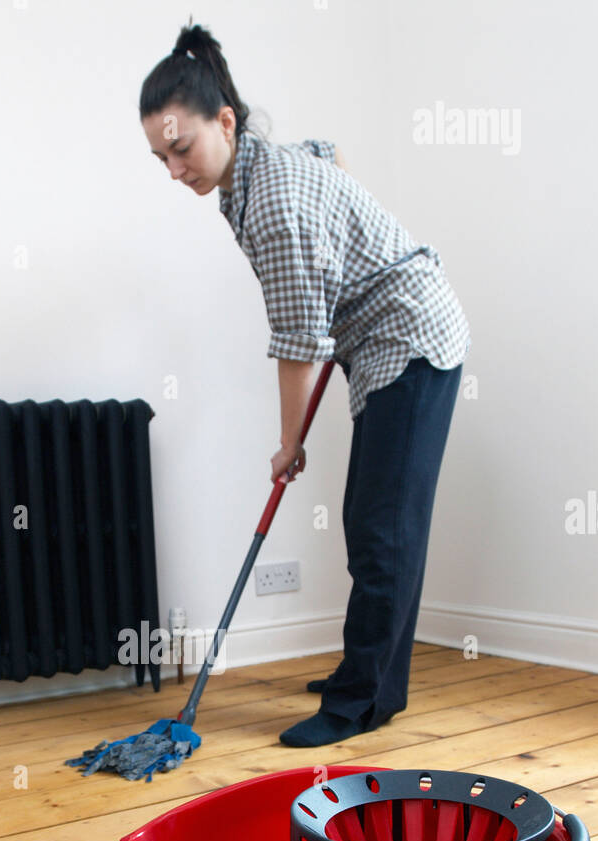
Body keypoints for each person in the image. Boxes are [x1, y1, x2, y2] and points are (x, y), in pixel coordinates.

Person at [140, 23, 471, 748]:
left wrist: (288, 445)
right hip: (379, 339)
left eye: (182, 148)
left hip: (411, 339)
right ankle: (378, 676)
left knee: (383, 532)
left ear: (225, 122)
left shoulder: (272, 202)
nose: (173, 169)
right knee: (376, 522)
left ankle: (361, 702)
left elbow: (297, 345)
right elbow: (331, 155)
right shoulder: (256, 167)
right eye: (161, 156)